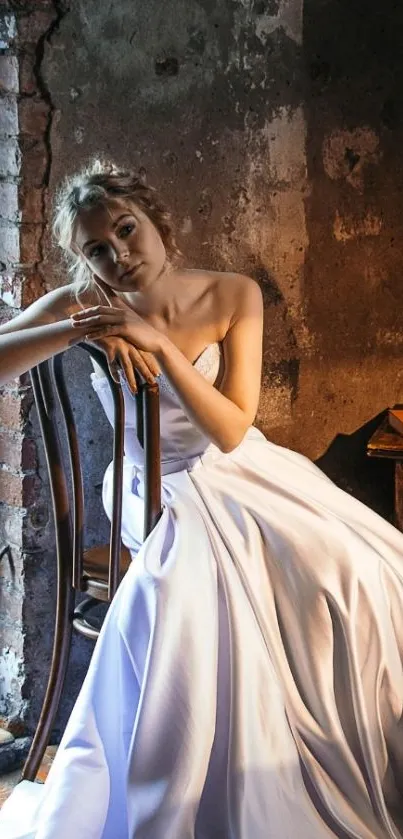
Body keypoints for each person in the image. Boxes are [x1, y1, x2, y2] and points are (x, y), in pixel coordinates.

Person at [0, 159, 403, 839]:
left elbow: (230, 426)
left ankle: (312, 744)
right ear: (82, 257)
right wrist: (81, 330)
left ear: (157, 221)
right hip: (150, 484)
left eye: (127, 231)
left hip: (238, 464)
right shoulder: (87, 299)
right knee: (200, 571)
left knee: (359, 568)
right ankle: (203, 761)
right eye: (96, 248)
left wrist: (154, 341)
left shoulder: (230, 292)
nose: (118, 254)